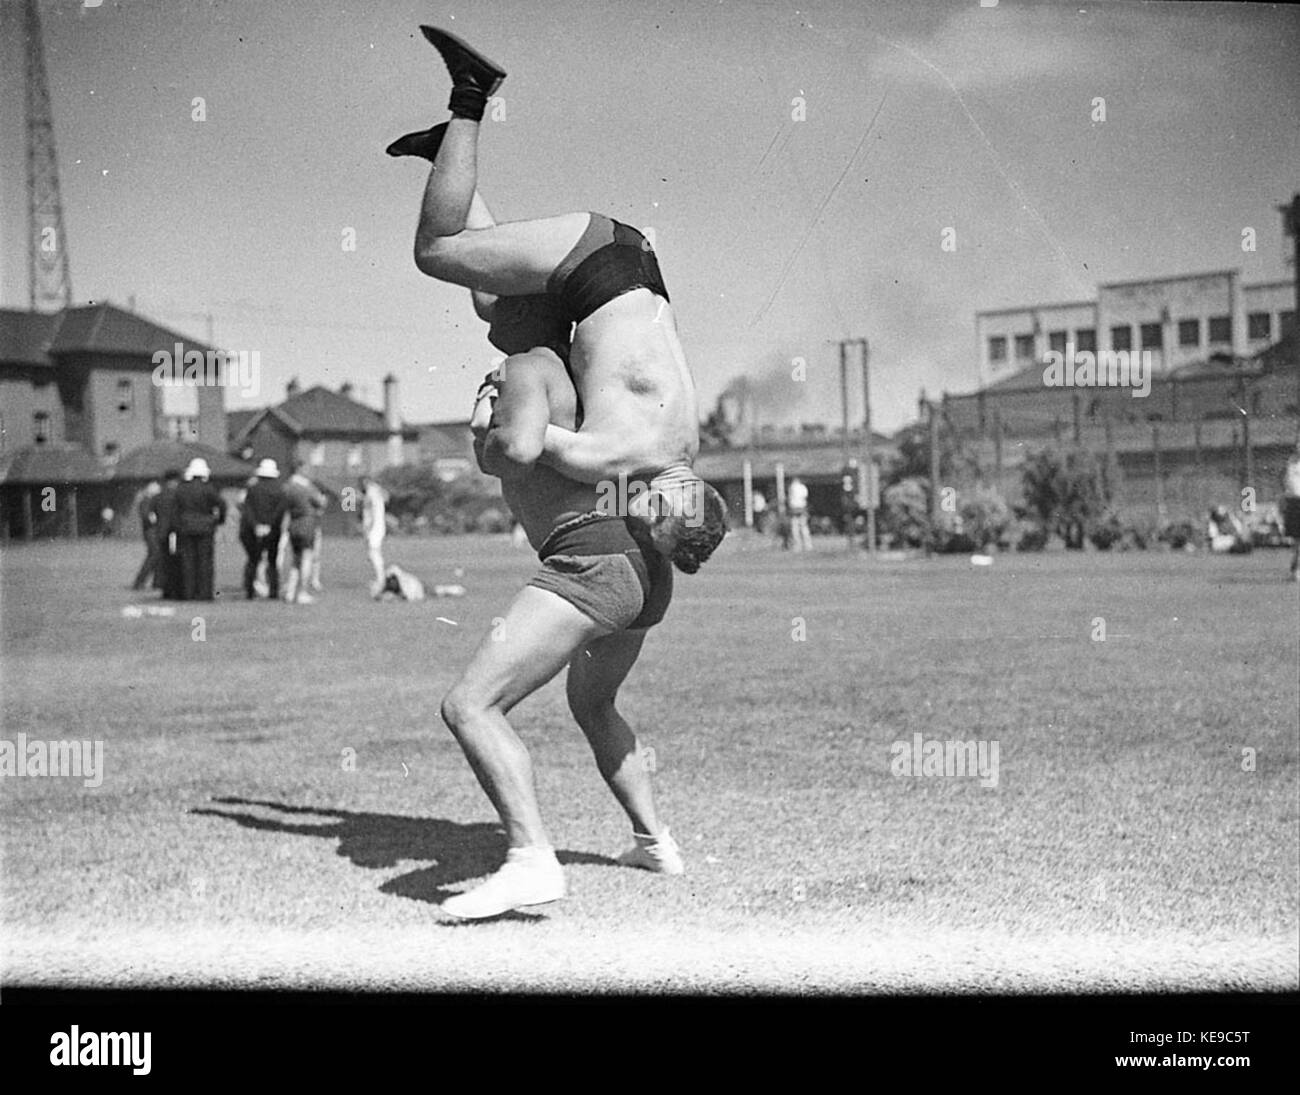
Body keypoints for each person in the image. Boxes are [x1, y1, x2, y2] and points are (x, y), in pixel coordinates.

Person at [388, 27, 726, 572]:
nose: (634, 522)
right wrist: (485, 415)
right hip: (593, 267)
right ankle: (470, 95)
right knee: (437, 250)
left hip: (621, 266)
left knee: (491, 304)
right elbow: (516, 444)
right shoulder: (616, 462)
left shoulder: (685, 448)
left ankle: (445, 155)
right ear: (672, 507)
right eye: (648, 526)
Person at [438, 312, 707, 920]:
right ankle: (655, 843)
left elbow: (511, 455)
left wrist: (483, 417)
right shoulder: (591, 380)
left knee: (470, 706)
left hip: (589, 558)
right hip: (642, 566)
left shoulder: (526, 367)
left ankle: (532, 861)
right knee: (593, 703)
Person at [173, 458, 227, 601]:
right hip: (206, 528)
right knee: (205, 562)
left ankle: (188, 593)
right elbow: (222, 505)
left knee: (188, 562)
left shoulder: (182, 489)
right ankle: (205, 593)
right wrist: (218, 521)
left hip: (186, 527)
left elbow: (175, 509)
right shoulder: (209, 488)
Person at [240, 459, 289, 601]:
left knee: (253, 560)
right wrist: (269, 524)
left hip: (253, 530)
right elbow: (280, 510)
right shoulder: (280, 489)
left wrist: (256, 525)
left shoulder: (252, 489)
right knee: (272, 561)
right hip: (273, 530)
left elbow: (247, 509)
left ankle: (249, 591)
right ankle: (273, 591)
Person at [281, 462, 327, 605]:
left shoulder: (287, 487)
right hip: (307, 525)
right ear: (300, 470)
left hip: (293, 524)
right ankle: (302, 592)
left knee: (295, 559)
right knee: (306, 558)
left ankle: (290, 593)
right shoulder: (307, 487)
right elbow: (320, 502)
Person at [360, 475, 390, 596]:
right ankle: (380, 578)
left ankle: (381, 579)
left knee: (373, 553)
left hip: (374, 528)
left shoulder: (371, 492)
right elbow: (386, 498)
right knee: (373, 553)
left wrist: (368, 527)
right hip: (378, 526)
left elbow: (370, 510)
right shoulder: (377, 491)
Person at [130, 480, 163, 591]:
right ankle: (140, 581)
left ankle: (156, 582)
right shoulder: (146, 501)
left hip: (152, 530)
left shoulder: (148, 500)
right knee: (154, 555)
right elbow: (147, 516)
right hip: (151, 531)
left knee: (156, 555)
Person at [1283, 443, 1300, 581]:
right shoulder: (1291, 464)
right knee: (1296, 539)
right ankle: (1296, 567)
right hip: (1293, 502)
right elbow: (1287, 483)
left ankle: (1296, 567)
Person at [787, 477, 813, 551]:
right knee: (804, 526)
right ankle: (808, 545)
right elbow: (805, 496)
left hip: (794, 508)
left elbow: (790, 497)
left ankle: (797, 546)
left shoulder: (791, 487)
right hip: (802, 507)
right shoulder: (803, 487)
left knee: (795, 527)